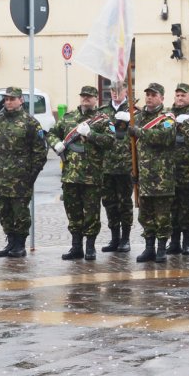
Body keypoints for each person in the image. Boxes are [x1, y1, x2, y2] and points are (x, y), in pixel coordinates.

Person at [0, 87, 47, 258]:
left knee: (20, 212)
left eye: (12, 99)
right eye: (5, 99)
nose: (8, 102)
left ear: (21, 100)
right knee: (4, 211)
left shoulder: (30, 122)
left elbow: (39, 152)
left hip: (20, 176)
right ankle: (11, 242)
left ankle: (20, 244)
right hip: (0, 174)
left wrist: (33, 174)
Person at [47, 85, 111, 261]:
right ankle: (76, 247)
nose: (85, 99)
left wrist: (91, 134)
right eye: (83, 96)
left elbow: (110, 141)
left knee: (91, 213)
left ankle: (90, 247)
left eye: (89, 96)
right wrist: (56, 143)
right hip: (70, 176)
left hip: (92, 176)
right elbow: (51, 133)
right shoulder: (69, 118)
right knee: (73, 212)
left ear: (96, 99)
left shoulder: (103, 120)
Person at [127, 83, 176, 263]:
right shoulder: (137, 118)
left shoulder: (167, 118)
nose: (149, 97)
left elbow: (164, 136)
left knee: (162, 216)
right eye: (147, 94)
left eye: (153, 95)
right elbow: (131, 147)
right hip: (144, 176)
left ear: (162, 98)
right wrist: (133, 170)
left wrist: (138, 132)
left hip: (162, 177)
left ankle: (161, 248)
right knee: (145, 215)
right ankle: (149, 248)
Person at [96, 83, 136, 253]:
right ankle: (114, 238)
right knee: (109, 203)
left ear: (126, 91)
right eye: (112, 90)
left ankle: (125, 239)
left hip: (125, 166)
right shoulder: (102, 112)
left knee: (124, 204)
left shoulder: (134, 112)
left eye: (119, 90)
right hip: (106, 166)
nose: (115, 93)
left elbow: (138, 137)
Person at [167, 83, 189, 255]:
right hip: (170, 171)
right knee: (172, 208)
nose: (180, 98)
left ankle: (187, 241)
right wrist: (170, 123)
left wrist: (187, 125)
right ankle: (174, 242)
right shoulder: (167, 115)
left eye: (183, 95)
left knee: (187, 209)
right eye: (177, 95)